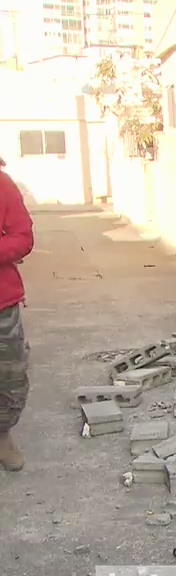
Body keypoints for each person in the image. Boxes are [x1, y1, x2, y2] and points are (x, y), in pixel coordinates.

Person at [0, 157, 33, 471]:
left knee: (10, 377)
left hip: (2, 303)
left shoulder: (3, 184)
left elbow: (23, 237)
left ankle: (2, 434)